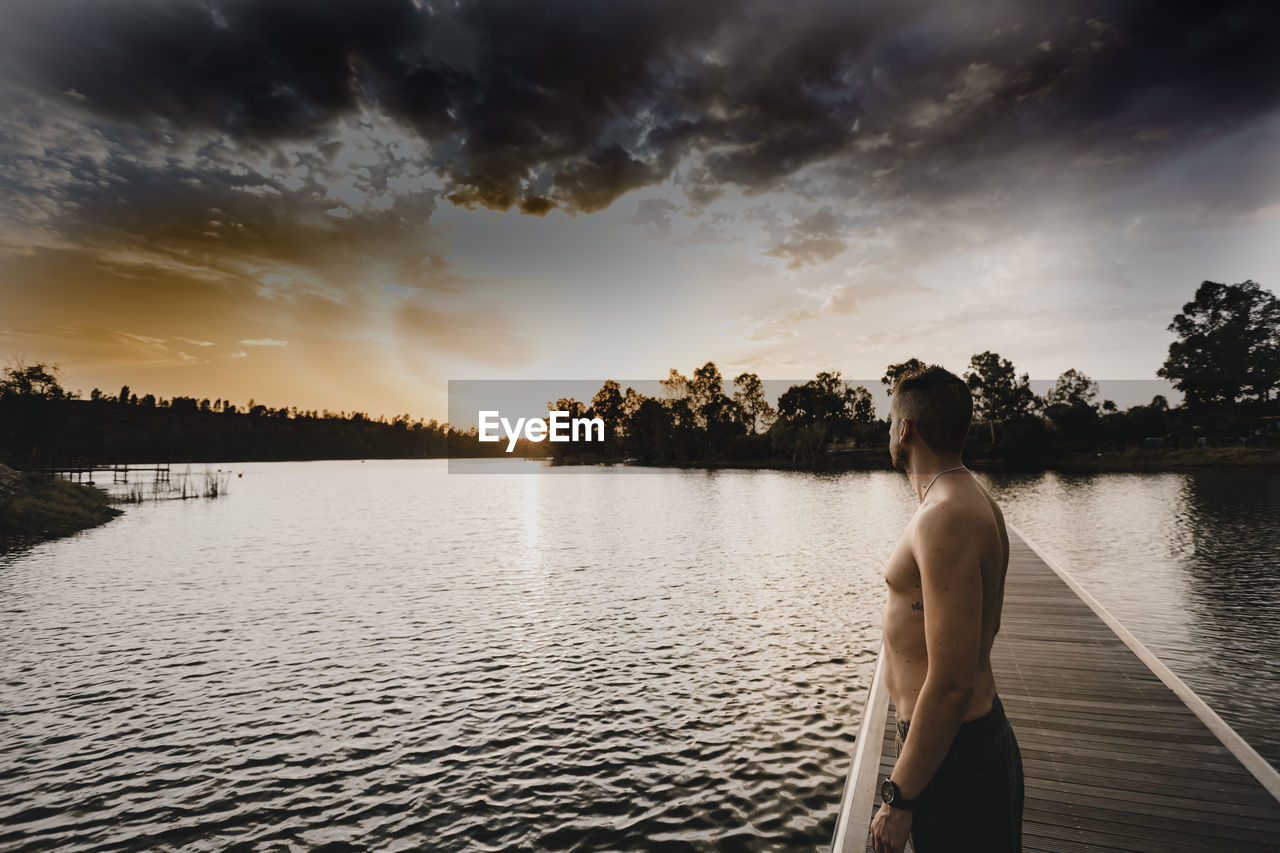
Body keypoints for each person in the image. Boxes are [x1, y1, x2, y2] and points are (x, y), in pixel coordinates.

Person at [868, 365, 1024, 853]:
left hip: (955, 755)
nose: (889, 430)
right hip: (956, 743)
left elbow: (953, 680)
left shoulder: (945, 518)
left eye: (890, 420)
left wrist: (899, 796)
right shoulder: (969, 498)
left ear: (906, 429)